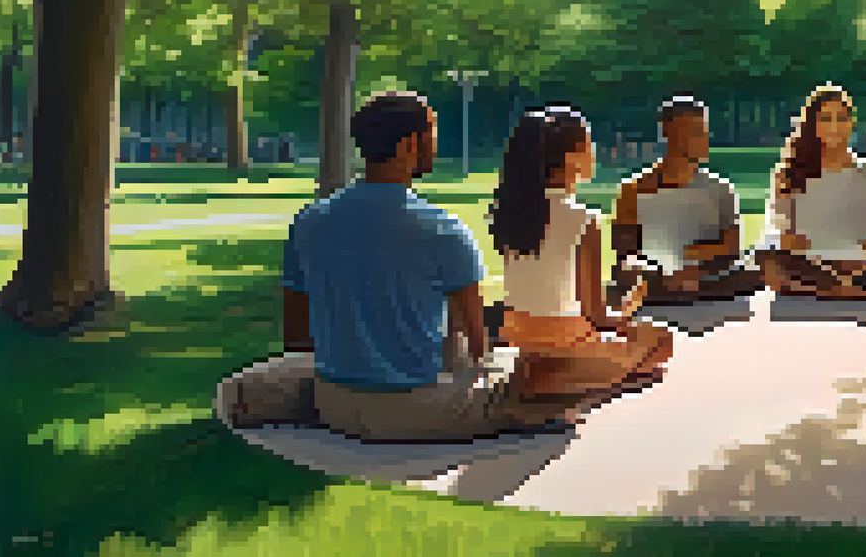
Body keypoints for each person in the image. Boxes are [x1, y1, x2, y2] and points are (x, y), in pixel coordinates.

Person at [281, 92, 580, 443]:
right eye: (432, 135)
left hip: (332, 404)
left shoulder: (309, 221)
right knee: (557, 380)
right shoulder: (441, 227)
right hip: (415, 410)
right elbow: (478, 344)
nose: (436, 146)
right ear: (410, 144)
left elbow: (297, 339)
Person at [483, 106, 675, 400]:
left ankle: (553, 374)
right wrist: (627, 309)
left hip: (522, 337)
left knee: (638, 346)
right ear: (570, 158)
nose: (594, 151)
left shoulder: (511, 214)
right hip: (567, 340)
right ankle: (567, 380)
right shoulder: (584, 220)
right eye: (588, 144)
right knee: (660, 339)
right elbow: (596, 316)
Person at [608, 97, 764, 307]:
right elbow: (625, 252)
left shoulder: (720, 189)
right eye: (696, 132)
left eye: (705, 131)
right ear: (668, 133)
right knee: (629, 274)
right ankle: (679, 289)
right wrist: (666, 270)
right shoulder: (633, 189)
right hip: (654, 273)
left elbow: (732, 247)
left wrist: (690, 262)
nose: (705, 139)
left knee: (755, 270)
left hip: (705, 273)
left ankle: (682, 289)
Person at [756, 84, 866, 300]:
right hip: (808, 263)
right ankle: (844, 288)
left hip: (857, 263)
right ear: (812, 125)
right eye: (825, 119)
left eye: (841, 118)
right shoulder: (789, 173)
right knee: (765, 256)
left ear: (851, 124)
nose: (834, 126)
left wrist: (857, 256)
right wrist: (815, 253)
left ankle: (831, 286)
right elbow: (783, 234)